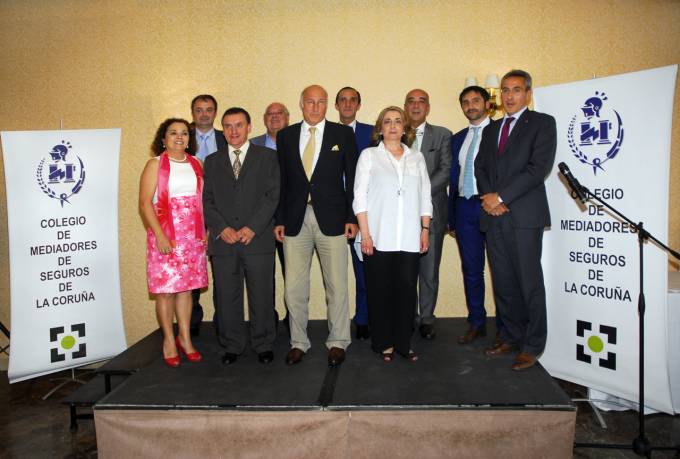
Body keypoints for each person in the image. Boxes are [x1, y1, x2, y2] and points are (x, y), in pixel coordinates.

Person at [474, 69, 557, 370]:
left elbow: (538, 169)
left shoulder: (543, 123)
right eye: (506, 90)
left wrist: (502, 197)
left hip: (524, 216)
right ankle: (510, 336)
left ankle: (532, 345)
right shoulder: (491, 129)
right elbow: (480, 167)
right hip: (494, 217)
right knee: (504, 282)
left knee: (528, 282)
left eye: (516, 90)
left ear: (528, 94)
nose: (509, 96)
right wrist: (490, 198)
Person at [274, 84, 358, 367]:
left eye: (321, 101)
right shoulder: (285, 136)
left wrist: (351, 217)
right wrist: (280, 219)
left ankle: (338, 341)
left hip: (333, 220)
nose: (315, 107)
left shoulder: (342, 134)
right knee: (294, 288)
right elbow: (282, 181)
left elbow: (353, 179)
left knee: (337, 286)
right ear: (301, 104)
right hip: (295, 220)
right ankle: (298, 342)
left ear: (327, 105)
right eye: (310, 101)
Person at [354, 106, 432, 362]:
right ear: (380, 128)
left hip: (409, 237)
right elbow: (359, 197)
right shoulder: (369, 156)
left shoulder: (416, 158)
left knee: (407, 292)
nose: (393, 125)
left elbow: (425, 196)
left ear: (405, 127)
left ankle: (403, 343)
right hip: (378, 236)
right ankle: (383, 343)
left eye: (398, 121)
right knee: (380, 292)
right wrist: (366, 234)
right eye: (387, 121)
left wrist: (425, 229)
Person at [203, 107, 280, 365]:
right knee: (226, 295)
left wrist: (252, 227)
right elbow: (207, 200)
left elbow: (272, 195)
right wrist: (221, 228)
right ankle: (232, 344)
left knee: (262, 293)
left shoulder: (268, 157)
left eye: (238, 125)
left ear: (249, 127)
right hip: (224, 242)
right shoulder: (212, 161)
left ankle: (263, 343)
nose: (233, 130)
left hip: (257, 239)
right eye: (227, 126)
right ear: (223, 130)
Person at [139, 118, 208, 368]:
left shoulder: (196, 163)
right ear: (163, 138)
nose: (179, 137)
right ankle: (169, 340)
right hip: (166, 234)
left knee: (186, 290)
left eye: (184, 133)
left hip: (192, 236)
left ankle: (185, 338)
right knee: (166, 291)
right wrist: (160, 235)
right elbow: (145, 203)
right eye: (173, 133)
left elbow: (202, 201)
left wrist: (205, 229)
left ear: (189, 139)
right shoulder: (155, 164)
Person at [448, 86, 505, 345]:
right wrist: (451, 215)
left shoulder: (501, 131)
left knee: (500, 269)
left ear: (487, 103)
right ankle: (476, 322)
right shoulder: (458, 138)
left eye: (475, 100)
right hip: (464, 207)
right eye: (465, 102)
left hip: (491, 207)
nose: (470, 106)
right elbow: (452, 178)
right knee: (471, 269)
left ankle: (505, 327)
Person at [404, 89, 452, 340]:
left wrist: (418, 195)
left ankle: (427, 318)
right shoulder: (395, 133)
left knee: (429, 269)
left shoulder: (443, 135)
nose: (416, 106)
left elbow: (445, 171)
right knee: (406, 270)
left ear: (428, 107)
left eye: (421, 101)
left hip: (432, 211)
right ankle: (408, 315)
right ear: (405, 106)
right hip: (401, 215)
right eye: (411, 101)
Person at [335, 86, 372, 340]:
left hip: (363, 212)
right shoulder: (327, 133)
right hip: (332, 211)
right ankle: (337, 322)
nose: (348, 104)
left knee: (363, 268)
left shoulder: (372, 133)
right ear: (336, 105)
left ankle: (364, 318)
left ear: (358, 105)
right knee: (334, 273)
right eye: (343, 100)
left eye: (353, 100)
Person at [251, 102, 291, 330]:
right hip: (261, 221)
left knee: (292, 274)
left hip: (289, 219)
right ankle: (267, 320)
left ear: (288, 118)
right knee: (263, 275)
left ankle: (293, 318)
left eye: (279, 113)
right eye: (270, 114)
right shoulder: (252, 144)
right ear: (264, 118)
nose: (274, 117)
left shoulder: (297, 141)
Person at [189, 94, 226, 336]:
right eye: (199, 110)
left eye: (209, 109)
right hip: (189, 216)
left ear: (215, 112)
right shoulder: (182, 137)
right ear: (193, 113)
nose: (204, 114)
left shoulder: (227, 137)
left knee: (222, 272)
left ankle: (223, 321)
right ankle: (192, 322)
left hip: (221, 214)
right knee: (191, 270)